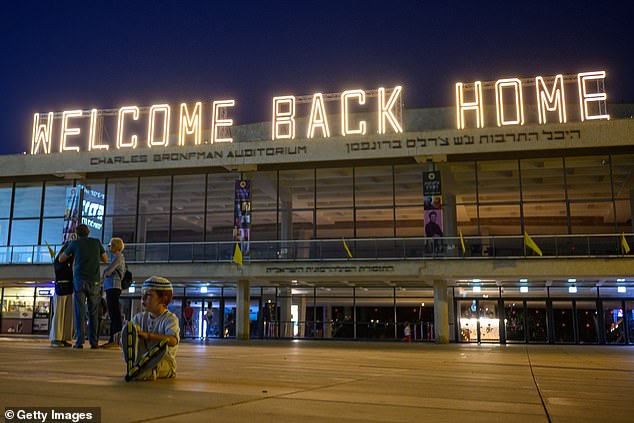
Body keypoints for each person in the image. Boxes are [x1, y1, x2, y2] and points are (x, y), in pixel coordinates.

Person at [116, 276, 180, 382]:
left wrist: (148, 335)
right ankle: (135, 367)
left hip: (164, 361)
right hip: (142, 359)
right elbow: (130, 334)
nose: (143, 299)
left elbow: (173, 340)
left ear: (163, 299)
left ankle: (140, 372)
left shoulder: (170, 319)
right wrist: (122, 336)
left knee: (147, 371)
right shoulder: (139, 317)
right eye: (142, 295)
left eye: (148, 295)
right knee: (131, 329)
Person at [59, 224, 108, 349]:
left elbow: (61, 259)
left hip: (79, 280)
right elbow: (105, 259)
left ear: (77, 233)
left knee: (79, 311)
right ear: (89, 232)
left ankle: (79, 341)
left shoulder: (74, 244)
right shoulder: (96, 242)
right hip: (94, 281)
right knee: (93, 312)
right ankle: (94, 342)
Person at [100, 237, 126, 349]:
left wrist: (104, 273)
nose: (108, 247)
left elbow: (108, 271)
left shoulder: (118, 257)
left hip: (113, 287)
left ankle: (115, 340)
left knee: (114, 314)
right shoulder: (117, 257)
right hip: (112, 287)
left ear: (116, 246)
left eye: (110, 245)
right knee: (113, 313)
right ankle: (113, 339)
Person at [49, 243, 74, 347]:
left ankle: (63, 337)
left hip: (68, 288)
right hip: (61, 287)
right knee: (59, 314)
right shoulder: (59, 261)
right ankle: (56, 338)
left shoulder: (69, 261)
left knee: (67, 315)